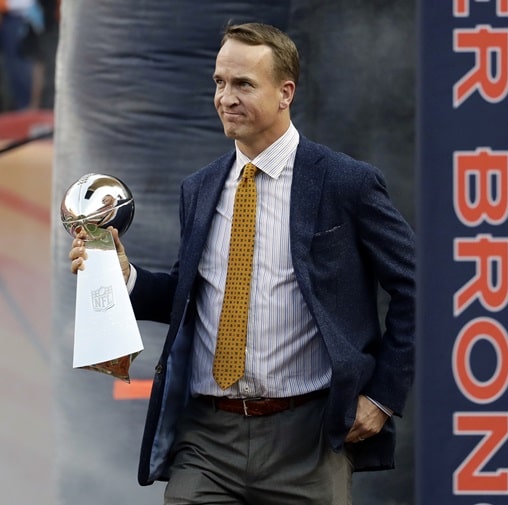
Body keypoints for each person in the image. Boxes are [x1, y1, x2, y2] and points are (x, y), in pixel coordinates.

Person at [68, 22, 416, 505]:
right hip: (207, 439)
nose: (225, 97)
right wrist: (120, 274)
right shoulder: (200, 187)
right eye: (219, 82)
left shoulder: (345, 183)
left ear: (284, 93)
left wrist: (381, 396)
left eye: (243, 84)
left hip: (309, 440)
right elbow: (191, 296)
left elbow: (418, 286)